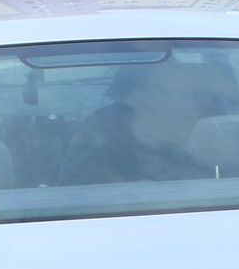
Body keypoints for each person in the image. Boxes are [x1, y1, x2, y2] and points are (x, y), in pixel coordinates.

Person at [58, 60, 207, 185]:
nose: (182, 100)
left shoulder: (202, 126)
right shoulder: (101, 129)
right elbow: (73, 185)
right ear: (135, 93)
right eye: (167, 90)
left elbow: (211, 179)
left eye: (184, 92)